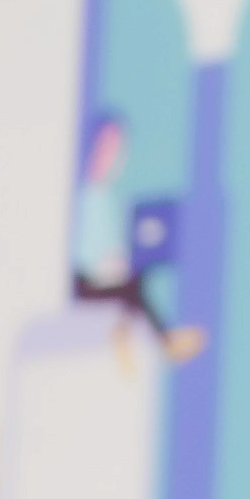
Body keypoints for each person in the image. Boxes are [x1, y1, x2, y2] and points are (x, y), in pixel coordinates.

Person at [69, 111, 204, 365]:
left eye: (116, 150)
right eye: (105, 146)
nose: (109, 156)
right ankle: (154, 338)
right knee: (131, 286)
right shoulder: (80, 194)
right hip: (79, 280)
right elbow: (78, 251)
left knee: (135, 277)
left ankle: (134, 335)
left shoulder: (107, 199)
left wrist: (117, 262)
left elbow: (111, 248)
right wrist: (103, 265)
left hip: (103, 277)